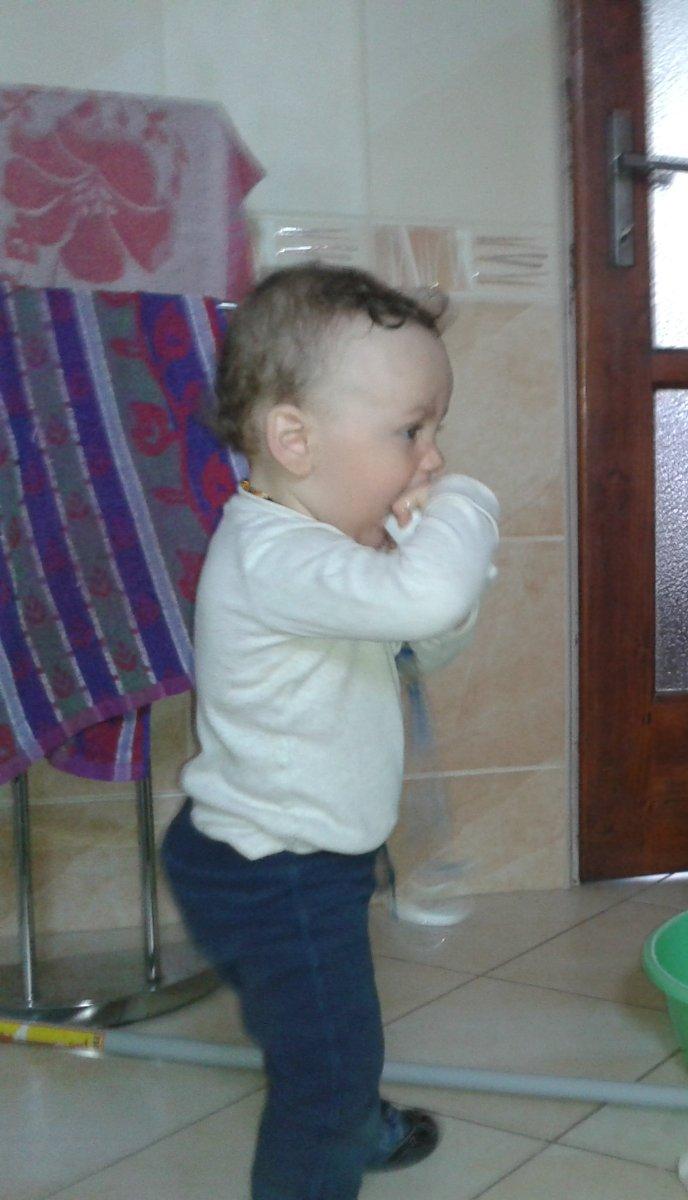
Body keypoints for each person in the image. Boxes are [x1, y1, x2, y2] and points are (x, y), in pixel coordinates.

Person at [161, 264, 499, 1199]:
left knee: (322, 1031)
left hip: (298, 850)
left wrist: (431, 573)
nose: (433, 458)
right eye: (410, 432)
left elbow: (421, 636)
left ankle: (354, 1114)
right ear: (294, 440)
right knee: (326, 1066)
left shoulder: (319, 550)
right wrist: (469, 505)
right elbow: (426, 596)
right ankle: (339, 1123)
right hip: (276, 870)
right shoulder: (270, 559)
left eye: (436, 431)